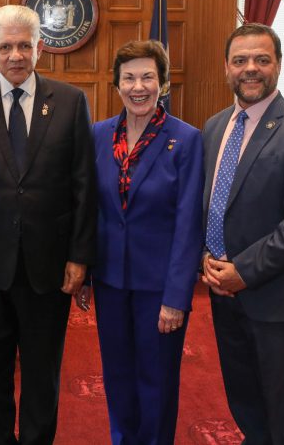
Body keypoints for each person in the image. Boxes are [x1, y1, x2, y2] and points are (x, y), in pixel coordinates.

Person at [0, 4, 97, 445]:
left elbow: (84, 185)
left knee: (42, 373)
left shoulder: (70, 102)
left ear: (40, 48)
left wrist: (79, 256)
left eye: (24, 46)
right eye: (6, 46)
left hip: (49, 268)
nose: (15, 56)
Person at [201, 23, 284, 444]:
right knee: (245, 401)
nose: (250, 69)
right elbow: (213, 204)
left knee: (282, 409)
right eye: (240, 60)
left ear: (278, 65)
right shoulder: (215, 127)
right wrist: (207, 254)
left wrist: (243, 270)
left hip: (278, 299)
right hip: (224, 295)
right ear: (226, 68)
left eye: (262, 59)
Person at [75, 40, 203, 444]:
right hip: (112, 280)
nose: (138, 86)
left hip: (159, 286)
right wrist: (86, 271)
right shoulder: (97, 135)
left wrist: (176, 297)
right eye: (128, 78)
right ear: (116, 85)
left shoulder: (185, 140)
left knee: (157, 379)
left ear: (162, 83)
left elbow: (189, 223)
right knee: (117, 375)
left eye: (148, 76)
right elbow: (88, 208)